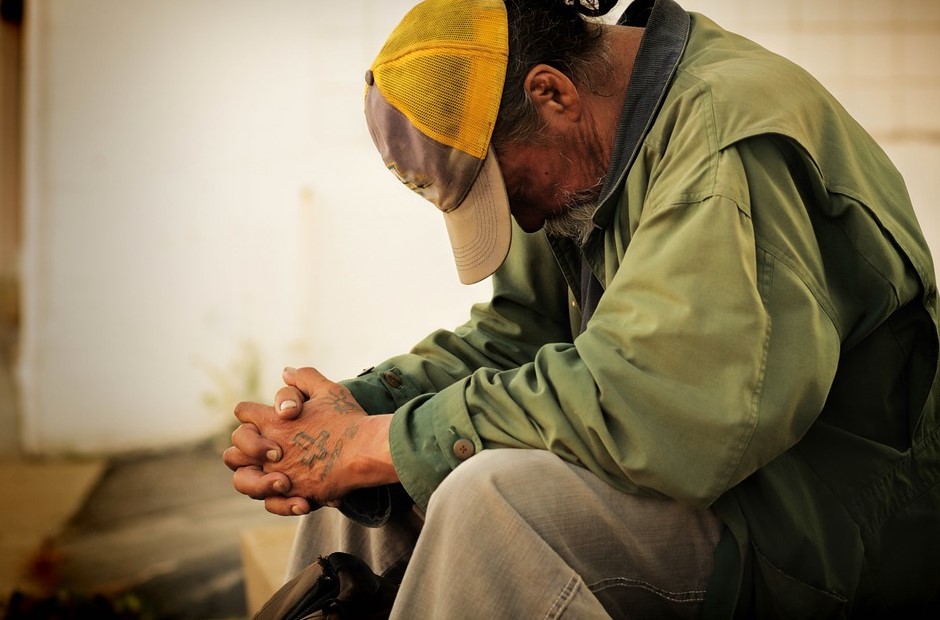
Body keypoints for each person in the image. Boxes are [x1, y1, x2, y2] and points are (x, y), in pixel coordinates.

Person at [223, 0, 940, 616]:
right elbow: (520, 334)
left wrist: (382, 443)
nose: (524, 224)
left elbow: (669, 409)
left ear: (552, 94)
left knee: (490, 503)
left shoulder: (724, 143)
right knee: (369, 501)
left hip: (811, 530)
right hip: (706, 482)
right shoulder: (577, 150)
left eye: (505, 189)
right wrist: (350, 415)